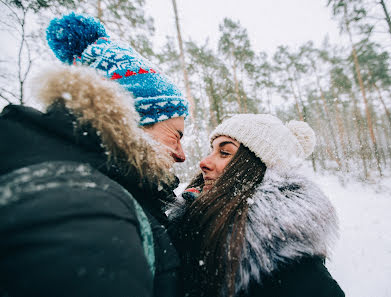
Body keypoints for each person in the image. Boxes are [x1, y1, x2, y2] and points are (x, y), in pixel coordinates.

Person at [0, 13, 188, 297]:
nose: (182, 155)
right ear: (133, 120)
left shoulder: (93, 180)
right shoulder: (85, 202)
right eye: (176, 134)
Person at [169, 114, 345, 297]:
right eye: (211, 151)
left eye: (225, 153)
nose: (204, 162)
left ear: (259, 169)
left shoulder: (284, 257)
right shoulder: (189, 224)